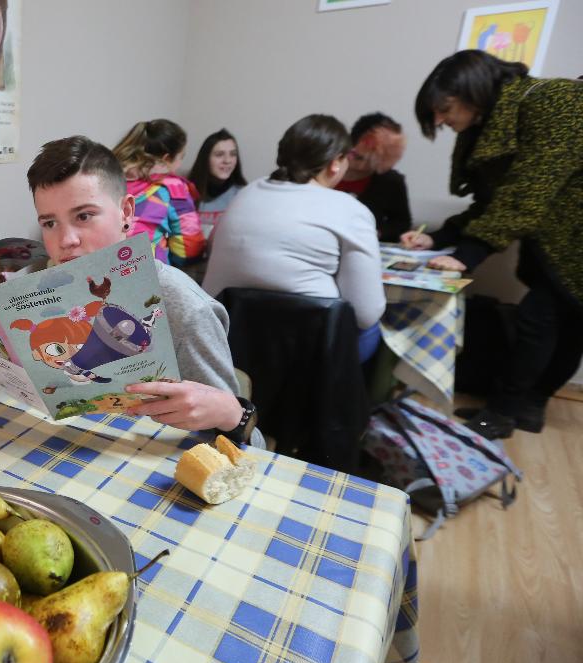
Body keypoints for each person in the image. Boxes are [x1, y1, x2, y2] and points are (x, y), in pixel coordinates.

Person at [0, 136, 257, 442]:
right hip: (53, 443)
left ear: (126, 213)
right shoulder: (33, 284)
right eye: (49, 223)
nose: (66, 240)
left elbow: (249, 444)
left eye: (83, 216)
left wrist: (232, 415)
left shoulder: (184, 308)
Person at [400, 50, 583, 439]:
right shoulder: (494, 123)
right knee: (557, 323)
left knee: (546, 321)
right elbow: (491, 203)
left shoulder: (556, 101)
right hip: (559, 241)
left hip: (574, 242)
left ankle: (506, 412)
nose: (439, 120)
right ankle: (526, 409)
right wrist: (440, 237)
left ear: (474, 91)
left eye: (444, 108)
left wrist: (467, 256)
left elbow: (526, 194)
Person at [203, 114, 385, 363]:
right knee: (374, 331)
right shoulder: (350, 209)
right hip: (309, 355)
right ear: (335, 163)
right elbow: (366, 313)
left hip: (226, 344)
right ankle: (350, 402)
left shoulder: (247, 193)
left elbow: (214, 248)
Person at [112, 119, 206, 281]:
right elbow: (188, 248)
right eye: (181, 157)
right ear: (167, 158)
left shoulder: (105, 176)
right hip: (143, 278)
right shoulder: (172, 186)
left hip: (97, 269)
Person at [335, 112, 411, 242]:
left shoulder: (390, 182)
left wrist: (377, 233)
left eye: (373, 160)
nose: (363, 166)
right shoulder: (323, 172)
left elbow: (401, 223)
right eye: (357, 157)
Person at [187, 128, 247, 240]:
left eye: (233, 154)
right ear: (206, 159)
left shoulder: (243, 195)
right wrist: (144, 257)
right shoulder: (183, 192)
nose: (227, 160)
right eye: (219, 154)